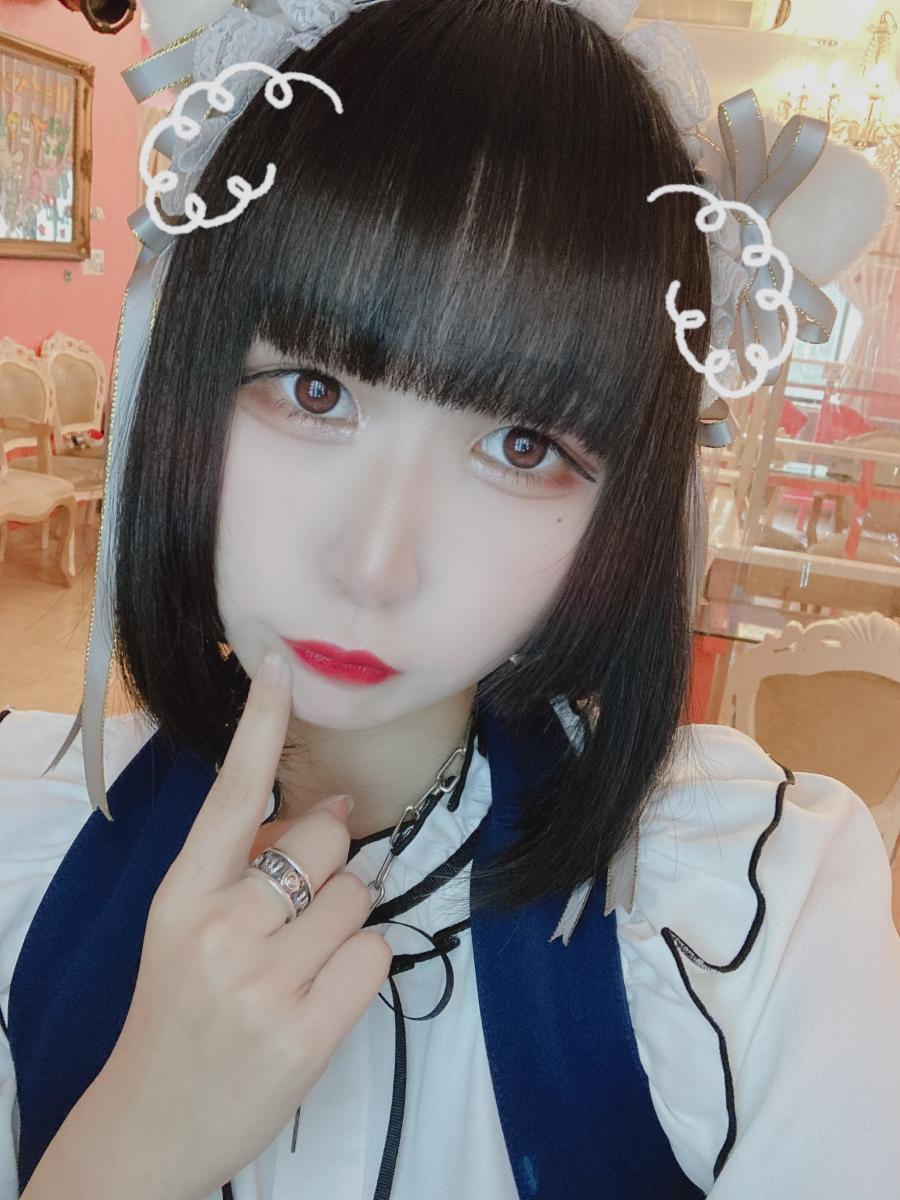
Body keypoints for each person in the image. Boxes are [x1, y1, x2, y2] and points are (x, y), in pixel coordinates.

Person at [1, 1, 898, 1198]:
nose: (374, 566)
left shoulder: (752, 916)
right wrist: (133, 1142)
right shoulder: (20, 838)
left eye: (523, 447)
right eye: (315, 392)